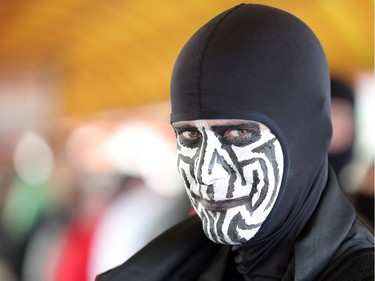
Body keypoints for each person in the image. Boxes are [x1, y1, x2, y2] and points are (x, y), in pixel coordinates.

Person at [96, 4, 374, 281]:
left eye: (239, 135)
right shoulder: (172, 265)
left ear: (306, 135)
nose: (206, 173)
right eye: (190, 136)